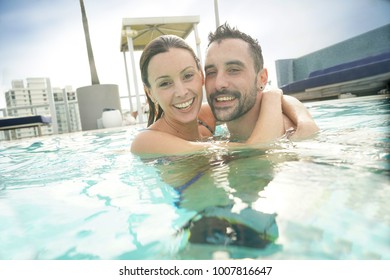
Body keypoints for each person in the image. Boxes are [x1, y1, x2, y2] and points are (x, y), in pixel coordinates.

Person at [131, 35, 285, 156]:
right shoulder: (146, 141)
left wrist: (302, 118)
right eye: (165, 83)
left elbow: (247, 102)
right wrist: (273, 96)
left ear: (201, 76)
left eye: (188, 75)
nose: (181, 92)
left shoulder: (205, 116)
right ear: (150, 93)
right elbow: (255, 149)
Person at [203, 23, 319, 141]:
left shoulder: (294, 137)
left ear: (262, 79)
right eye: (211, 72)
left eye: (233, 70)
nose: (219, 83)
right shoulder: (221, 133)